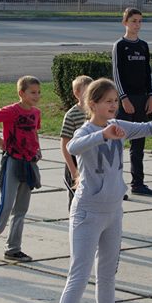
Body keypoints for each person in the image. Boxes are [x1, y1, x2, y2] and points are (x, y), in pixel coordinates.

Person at [51, 78, 152, 303]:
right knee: (79, 276)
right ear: (92, 104)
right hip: (87, 213)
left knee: (108, 274)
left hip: (113, 212)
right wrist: (103, 135)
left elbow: (146, 127)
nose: (113, 105)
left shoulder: (119, 126)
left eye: (114, 101)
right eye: (107, 101)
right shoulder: (87, 130)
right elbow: (73, 147)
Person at [0, 76, 42, 264]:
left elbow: (34, 132)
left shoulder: (36, 113)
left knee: (21, 209)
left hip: (29, 163)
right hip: (13, 161)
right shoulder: (11, 111)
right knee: (5, 205)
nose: (37, 96)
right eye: (32, 92)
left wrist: (38, 149)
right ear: (21, 93)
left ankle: (13, 249)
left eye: (38, 92)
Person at [113, 8, 152, 197]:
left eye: (140, 21)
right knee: (117, 144)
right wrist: (123, 98)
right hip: (126, 100)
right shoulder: (120, 45)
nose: (137, 25)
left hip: (142, 99)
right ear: (125, 23)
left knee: (138, 144)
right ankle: (116, 186)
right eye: (133, 21)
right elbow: (116, 74)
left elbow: (148, 72)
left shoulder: (143, 46)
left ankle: (138, 184)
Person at [60, 74, 94, 209]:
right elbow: (65, 145)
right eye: (87, 91)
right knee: (77, 201)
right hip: (75, 162)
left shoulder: (96, 112)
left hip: (92, 162)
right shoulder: (71, 115)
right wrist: (73, 171)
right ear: (77, 93)